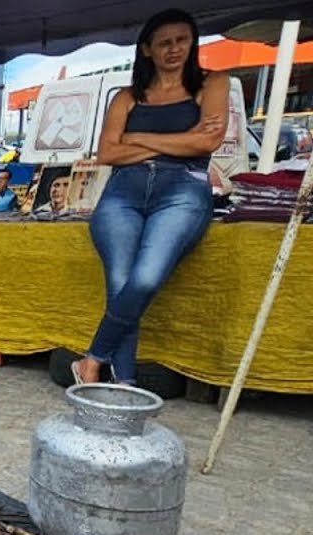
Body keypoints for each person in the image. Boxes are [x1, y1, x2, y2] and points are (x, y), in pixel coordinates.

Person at [71, 8, 227, 386]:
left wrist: (137, 139)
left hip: (182, 188)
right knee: (121, 282)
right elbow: (107, 153)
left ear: (193, 43)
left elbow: (207, 141)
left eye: (182, 40)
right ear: (147, 50)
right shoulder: (127, 97)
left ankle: (92, 360)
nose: (174, 49)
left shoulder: (213, 83)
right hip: (124, 191)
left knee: (144, 279)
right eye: (165, 43)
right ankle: (125, 385)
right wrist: (179, 143)